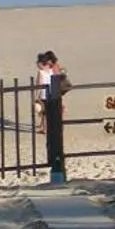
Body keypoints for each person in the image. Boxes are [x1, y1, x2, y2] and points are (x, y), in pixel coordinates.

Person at [39, 51, 70, 183]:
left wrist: (37, 98)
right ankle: (48, 127)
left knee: (46, 116)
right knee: (53, 117)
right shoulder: (55, 68)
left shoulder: (45, 71)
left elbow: (39, 86)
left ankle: (44, 127)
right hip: (55, 96)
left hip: (50, 96)